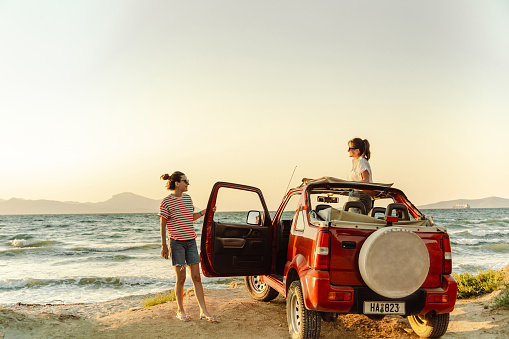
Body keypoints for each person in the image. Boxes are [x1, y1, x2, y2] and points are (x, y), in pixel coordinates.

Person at [158, 171, 218, 323]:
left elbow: (189, 217)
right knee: (181, 279)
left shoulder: (188, 199)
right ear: (177, 183)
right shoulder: (166, 202)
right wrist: (164, 245)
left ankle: (203, 311)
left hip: (191, 242)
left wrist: (204, 212)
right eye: (185, 181)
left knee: (197, 277)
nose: (188, 183)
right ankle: (180, 310)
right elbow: (163, 224)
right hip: (176, 243)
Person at [347, 138, 373, 213]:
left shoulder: (362, 162)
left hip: (360, 197)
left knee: (355, 220)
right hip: (354, 195)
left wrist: (351, 185)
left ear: (357, 150)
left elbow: (366, 180)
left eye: (350, 148)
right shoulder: (356, 162)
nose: (348, 151)